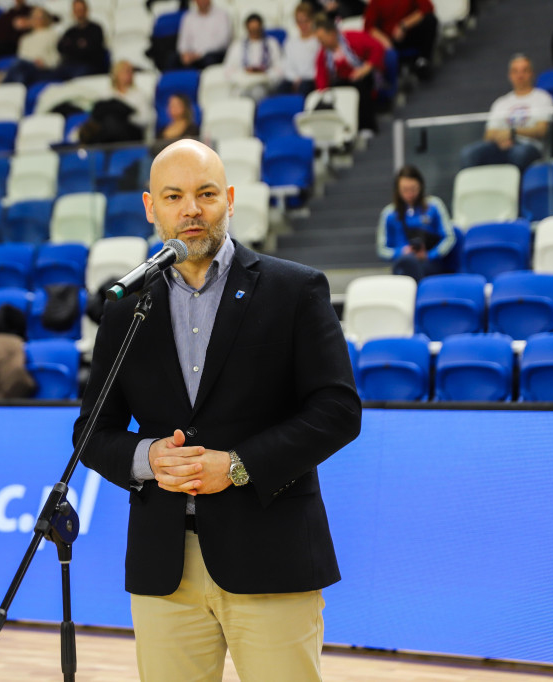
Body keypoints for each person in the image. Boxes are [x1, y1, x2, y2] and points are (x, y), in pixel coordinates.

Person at [73, 138, 361, 682]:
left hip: (272, 557)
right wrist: (148, 457)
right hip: (166, 567)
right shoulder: (127, 306)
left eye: (206, 194)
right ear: (150, 207)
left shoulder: (293, 289)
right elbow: (92, 431)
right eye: (174, 196)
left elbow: (338, 410)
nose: (191, 210)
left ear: (229, 199)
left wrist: (237, 464)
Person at [458, 54, 553, 170]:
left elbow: (541, 130)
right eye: (515, 71)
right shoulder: (501, 102)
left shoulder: (542, 98)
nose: (520, 75)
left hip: (529, 147)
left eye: (524, 70)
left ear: (532, 73)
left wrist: (512, 132)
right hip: (499, 146)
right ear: (510, 75)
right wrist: (503, 138)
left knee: (519, 154)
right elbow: (488, 134)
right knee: (468, 154)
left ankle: (517, 188)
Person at [376, 165, 455, 281]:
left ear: (421, 186)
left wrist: (429, 255)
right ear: (398, 190)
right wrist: (402, 252)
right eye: (405, 190)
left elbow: (449, 238)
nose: (409, 194)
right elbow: (382, 249)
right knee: (407, 263)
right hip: (403, 267)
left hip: (431, 264)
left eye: (413, 189)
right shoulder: (389, 214)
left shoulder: (434, 206)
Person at [313, 17, 385, 132]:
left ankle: (367, 126)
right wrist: (324, 92)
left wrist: (365, 69)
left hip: (363, 76)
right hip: (342, 81)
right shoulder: (323, 53)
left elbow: (377, 48)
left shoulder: (353, 38)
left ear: (331, 34)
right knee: (332, 96)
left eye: (321, 39)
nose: (320, 42)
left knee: (360, 88)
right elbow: (321, 74)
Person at [79, 60, 154, 144]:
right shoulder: (106, 94)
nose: (129, 74)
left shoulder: (139, 94)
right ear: (116, 73)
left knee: (112, 121)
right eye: (125, 71)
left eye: (131, 71)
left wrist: (126, 117)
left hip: (130, 134)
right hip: (107, 131)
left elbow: (146, 119)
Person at [363, 0, 438, 80]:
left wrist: (404, 25)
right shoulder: (376, 2)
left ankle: (423, 61)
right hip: (390, 40)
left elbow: (427, 8)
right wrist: (386, 42)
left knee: (430, 20)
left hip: (411, 32)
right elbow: (369, 27)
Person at [222, 13, 283, 101]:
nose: (254, 32)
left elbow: (279, 68)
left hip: (264, 83)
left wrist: (264, 75)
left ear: (261, 28)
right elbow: (228, 69)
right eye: (252, 30)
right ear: (247, 29)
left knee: (258, 92)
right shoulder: (237, 46)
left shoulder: (272, 44)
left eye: (256, 30)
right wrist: (245, 74)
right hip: (243, 84)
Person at [2, 5, 59, 85]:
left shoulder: (52, 34)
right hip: (25, 66)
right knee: (19, 66)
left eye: (40, 17)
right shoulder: (25, 39)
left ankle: (7, 86)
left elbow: (56, 57)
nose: (37, 20)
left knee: (19, 67)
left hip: (42, 69)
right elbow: (22, 57)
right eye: (34, 17)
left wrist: (45, 63)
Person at [55, 0, 107, 78]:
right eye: (76, 10)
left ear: (86, 10)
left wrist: (72, 46)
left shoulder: (95, 28)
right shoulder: (70, 31)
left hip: (89, 66)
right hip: (69, 65)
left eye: (81, 10)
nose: (79, 13)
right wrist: (79, 45)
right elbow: (60, 47)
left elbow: (93, 50)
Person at [175, 0, 231, 70]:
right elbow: (182, 42)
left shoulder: (222, 15)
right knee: (173, 59)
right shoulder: (188, 17)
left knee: (209, 60)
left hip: (211, 55)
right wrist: (185, 54)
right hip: (191, 55)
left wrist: (199, 54)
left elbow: (223, 42)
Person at [280, 3, 319, 95]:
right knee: (280, 89)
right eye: (299, 22)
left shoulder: (318, 41)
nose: (303, 25)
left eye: (306, 21)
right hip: (294, 80)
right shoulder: (290, 42)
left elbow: (319, 68)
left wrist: (302, 79)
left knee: (304, 87)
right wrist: (295, 78)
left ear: (312, 20)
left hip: (311, 80)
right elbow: (287, 66)